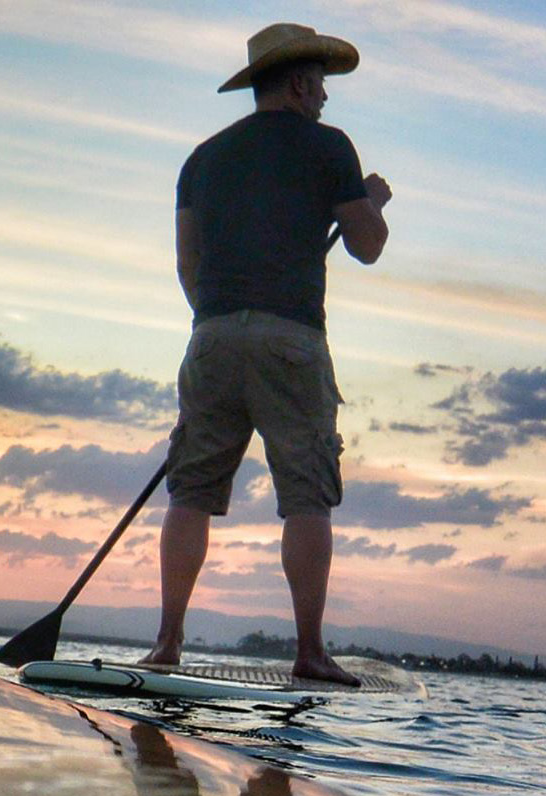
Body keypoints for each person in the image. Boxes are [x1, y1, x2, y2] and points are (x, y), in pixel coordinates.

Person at [140, 23, 392, 684]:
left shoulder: (202, 158)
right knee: (308, 496)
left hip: (211, 335)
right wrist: (372, 201)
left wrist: (219, 321)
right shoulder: (329, 148)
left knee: (190, 491)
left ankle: (167, 643)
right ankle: (309, 653)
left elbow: (187, 262)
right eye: (321, 86)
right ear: (300, 82)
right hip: (292, 341)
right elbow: (367, 245)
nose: (325, 99)